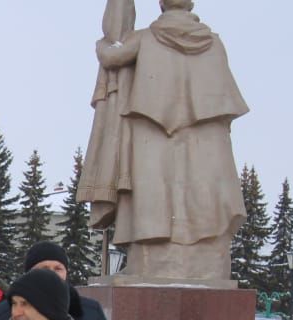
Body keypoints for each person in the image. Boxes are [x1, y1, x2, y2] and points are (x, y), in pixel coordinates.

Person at [83, 0, 248, 280]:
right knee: (202, 194)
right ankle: (205, 265)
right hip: (204, 137)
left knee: (155, 196)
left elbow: (112, 53)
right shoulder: (214, 44)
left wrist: (102, 45)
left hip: (153, 125)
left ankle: (152, 264)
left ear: (161, 3)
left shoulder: (144, 39)